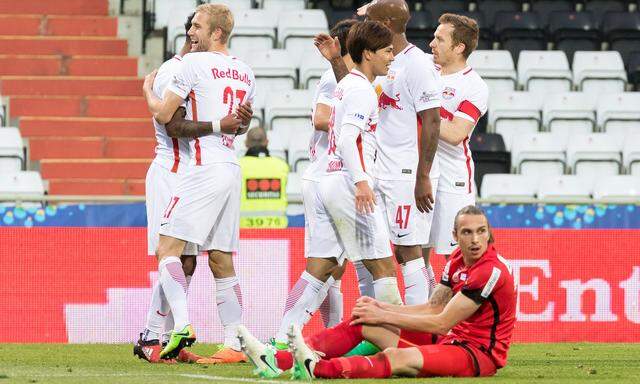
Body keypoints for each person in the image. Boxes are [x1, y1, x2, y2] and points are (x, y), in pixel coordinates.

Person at [239, 205, 516, 379]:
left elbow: (441, 321)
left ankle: (317, 368)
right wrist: (381, 312)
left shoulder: (489, 271)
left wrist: (386, 313)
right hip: (450, 339)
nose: (475, 239)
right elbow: (432, 307)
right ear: (455, 236)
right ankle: (276, 361)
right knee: (363, 321)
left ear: (489, 234)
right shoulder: (457, 259)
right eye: (467, 232)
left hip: (477, 354)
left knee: (397, 359)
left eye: (481, 231)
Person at [142, 3, 255, 361]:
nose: (191, 32)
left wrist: (147, 90)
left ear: (216, 33)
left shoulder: (191, 64)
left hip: (202, 167)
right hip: (230, 166)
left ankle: (181, 327)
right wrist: (227, 124)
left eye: (197, 26)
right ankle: (235, 343)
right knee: (221, 259)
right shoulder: (244, 71)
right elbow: (243, 125)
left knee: (167, 249)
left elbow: (164, 115)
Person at [316, 0, 442, 307]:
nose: (361, 27)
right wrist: (335, 61)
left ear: (386, 23)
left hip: (405, 172)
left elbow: (433, 120)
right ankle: (374, 324)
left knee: (408, 251)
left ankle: (415, 329)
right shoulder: (384, 62)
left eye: (369, 20)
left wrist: (423, 175)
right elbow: (356, 88)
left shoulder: (418, 64)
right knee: (371, 252)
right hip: (376, 173)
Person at [271, 19, 357, 350]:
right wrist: (360, 117)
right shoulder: (331, 78)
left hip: (331, 177)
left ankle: (331, 337)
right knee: (322, 268)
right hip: (327, 178)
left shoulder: (352, 80)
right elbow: (321, 117)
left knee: (334, 269)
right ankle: (283, 339)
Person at [422, 14, 489, 262]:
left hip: (453, 180)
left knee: (457, 257)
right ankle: (430, 302)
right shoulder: (424, 68)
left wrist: (423, 106)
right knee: (414, 252)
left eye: (439, 39)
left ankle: (458, 301)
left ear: (459, 47)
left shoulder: (474, 86)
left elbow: (455, 133)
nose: (431, 43)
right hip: (422, 174)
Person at [238, 126, 289, 228]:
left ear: (246, 143)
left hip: (245, 232)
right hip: (278, 231)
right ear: (267, 142)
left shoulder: (237, 166)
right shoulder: (282, 166)